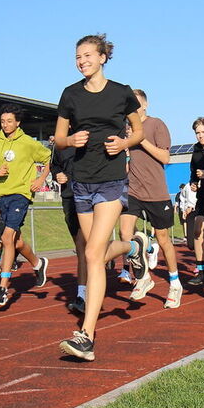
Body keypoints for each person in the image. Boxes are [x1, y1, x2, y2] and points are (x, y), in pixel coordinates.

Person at [53, 34, 147, 362]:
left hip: (111, 181)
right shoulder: (70, 94)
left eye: (88, 55)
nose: (82, 61)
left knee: (93, 254)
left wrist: (123, 145)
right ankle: (134, 247)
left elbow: (138, 131)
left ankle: (87, 336)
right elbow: (58, 139)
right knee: (94, 252)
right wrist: (70, 140)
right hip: (82, 182)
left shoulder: (121, 93)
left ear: (103, 57)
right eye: (78, 57)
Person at [117, 90, 183, 307]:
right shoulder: (126, 129)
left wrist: (140, 139)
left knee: (163, 239)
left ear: (144, 105)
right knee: (125, 232)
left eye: (135, 104)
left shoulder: (156, 124)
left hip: (156, 192)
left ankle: (174, 283)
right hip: (133, 190)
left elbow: (165, 157)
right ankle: (144, 276)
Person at [0, 103, 51, 307]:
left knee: (6, 237)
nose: (5, 124)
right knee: (15, 241)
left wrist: (41, 180)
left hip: (21, 194)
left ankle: (3, 288)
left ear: (18, 122)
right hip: (1, 196)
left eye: (9, 121)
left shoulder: (28, 143)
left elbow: (51, 158)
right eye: (3, 121)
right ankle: (38, 264)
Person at [49, 134, 88, 313]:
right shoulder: (60, 144)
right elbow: (54, 165)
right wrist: (57, 174)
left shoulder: (90, 137)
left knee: (84, 246)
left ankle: (82, 295)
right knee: (81, 246)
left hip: (89, 196)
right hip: (69, 197)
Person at [187, 117, 204, 286]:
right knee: (198, 231)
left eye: (203, 132)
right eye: (197, 133)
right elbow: (193, 172)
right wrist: (193, 183)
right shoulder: (196, 151)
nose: (200, 136)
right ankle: (201, 271)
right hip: (203, 197)